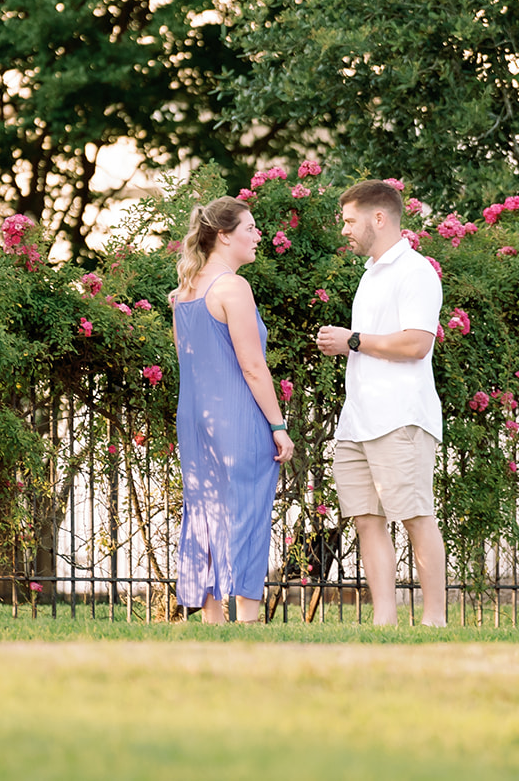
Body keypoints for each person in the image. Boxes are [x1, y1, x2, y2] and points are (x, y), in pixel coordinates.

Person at [316, 180, 447, 626]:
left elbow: (416, 344)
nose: (345, 230)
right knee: (366, 520)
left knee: (415, 516)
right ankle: (384, 623)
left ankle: (434, 622)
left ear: (379, 218)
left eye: (350, 221)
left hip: (400, 418)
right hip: (358, 422)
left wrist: (351, 340)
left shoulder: (415, 272)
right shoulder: (371, 274)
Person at [171, 196, 295, 623]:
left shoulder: (183, 292)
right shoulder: (232, 288)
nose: (257, 235)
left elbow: (187, 360)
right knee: (245, 508)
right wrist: (278, 425)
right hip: (236, 417)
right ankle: (247, 615)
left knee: (204, 509)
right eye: (250, 228)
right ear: (224, 236)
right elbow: (253, 366)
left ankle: (211, 616)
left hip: (194, 418)